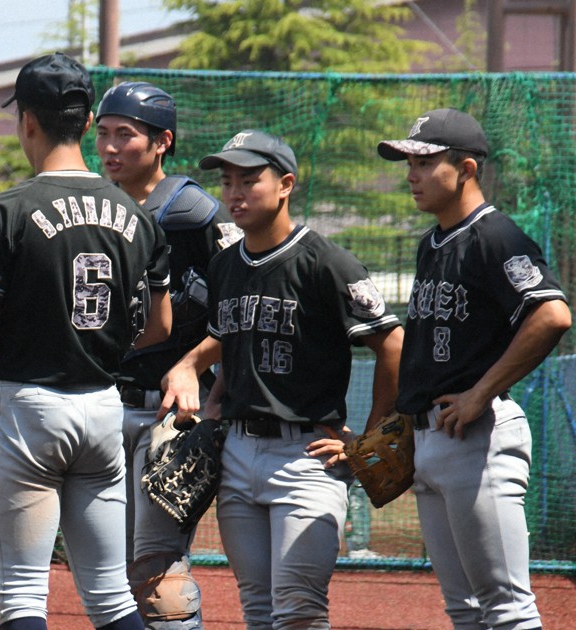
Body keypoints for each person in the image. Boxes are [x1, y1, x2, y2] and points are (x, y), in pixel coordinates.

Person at [0, 52, 171, 630]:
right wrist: (98, 341)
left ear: (27, 120)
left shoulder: (7, 210)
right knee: (112, 596)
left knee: (22, 594)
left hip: (31, 407)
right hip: (104, 407)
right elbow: (160, 326)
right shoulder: (137, 214)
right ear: (88, 119)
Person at [160, 129, 403, 629]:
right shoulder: (225, 265)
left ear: (285, 184)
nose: (235, 193)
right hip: (238, 452)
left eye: (250, 180)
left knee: (298, 611)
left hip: (305, 456)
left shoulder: (326, 262)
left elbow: (393, 345)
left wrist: (372, 439)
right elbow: (230, 339)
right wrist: (201, 389)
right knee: (258, 609)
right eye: (228, 182)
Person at [377, 108, 570, 629]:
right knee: (464, 611)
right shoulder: (432, 243)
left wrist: (480, 392)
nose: (412, 174)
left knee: (506, 609)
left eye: (425, 162)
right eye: (409, 163)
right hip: (433, 439)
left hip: (478, 437)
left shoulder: (495, 235)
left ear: (466, 169)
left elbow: (552, 315)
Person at [94, 81, 240, 630]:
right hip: (102, 405)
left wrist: (198, 370)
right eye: (103, 133)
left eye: (125, 134)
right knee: (110, 568)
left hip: (168, 414)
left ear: (162, 142)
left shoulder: (194, 213)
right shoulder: (95, 208)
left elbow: (242, 306)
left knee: (159, 571)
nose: (110, 146)